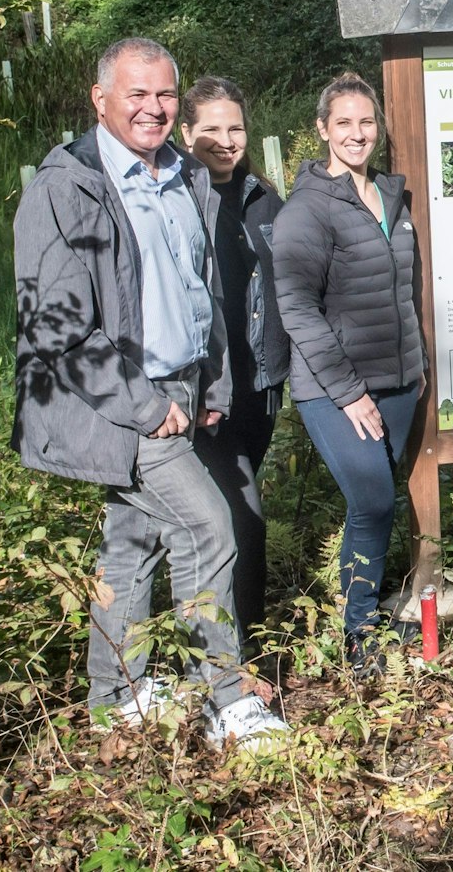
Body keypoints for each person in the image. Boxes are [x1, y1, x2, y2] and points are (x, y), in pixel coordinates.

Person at [11, 38, 287, 748]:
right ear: (100, 98)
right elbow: (57, 325)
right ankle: (225, 699)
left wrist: (212, 380)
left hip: (181, 386)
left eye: (165, 94)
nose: (154, 108)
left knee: (132, 543)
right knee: (208, 528)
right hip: (121, 400)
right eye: (137, 93)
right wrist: (145, 405)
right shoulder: (67, 186)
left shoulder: (185, 175)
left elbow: (201, 288)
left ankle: (118, 695)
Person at [272, 73, 425, 665]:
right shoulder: (307, 209)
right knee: (373, 501)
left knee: (376, 504)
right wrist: (347, 392)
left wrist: (417, 364)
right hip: (336, 390)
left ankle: (366, 617)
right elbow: (296, 309)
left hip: (398, 383)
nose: (357, 134)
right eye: (344, 123)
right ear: (322, 129)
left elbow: (403, 291)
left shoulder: (390, 197)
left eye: (366, 122)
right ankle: (358, 635)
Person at [180, 76, 288, 654]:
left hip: (259, 388)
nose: (226, 141)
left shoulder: (263, 199)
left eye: (236, 128)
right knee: (242, 518)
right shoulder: (175, 199)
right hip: (206, 394)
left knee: (230, 518)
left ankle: (222, 642)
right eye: (212, 130)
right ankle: (244, 655)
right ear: (186, 133)